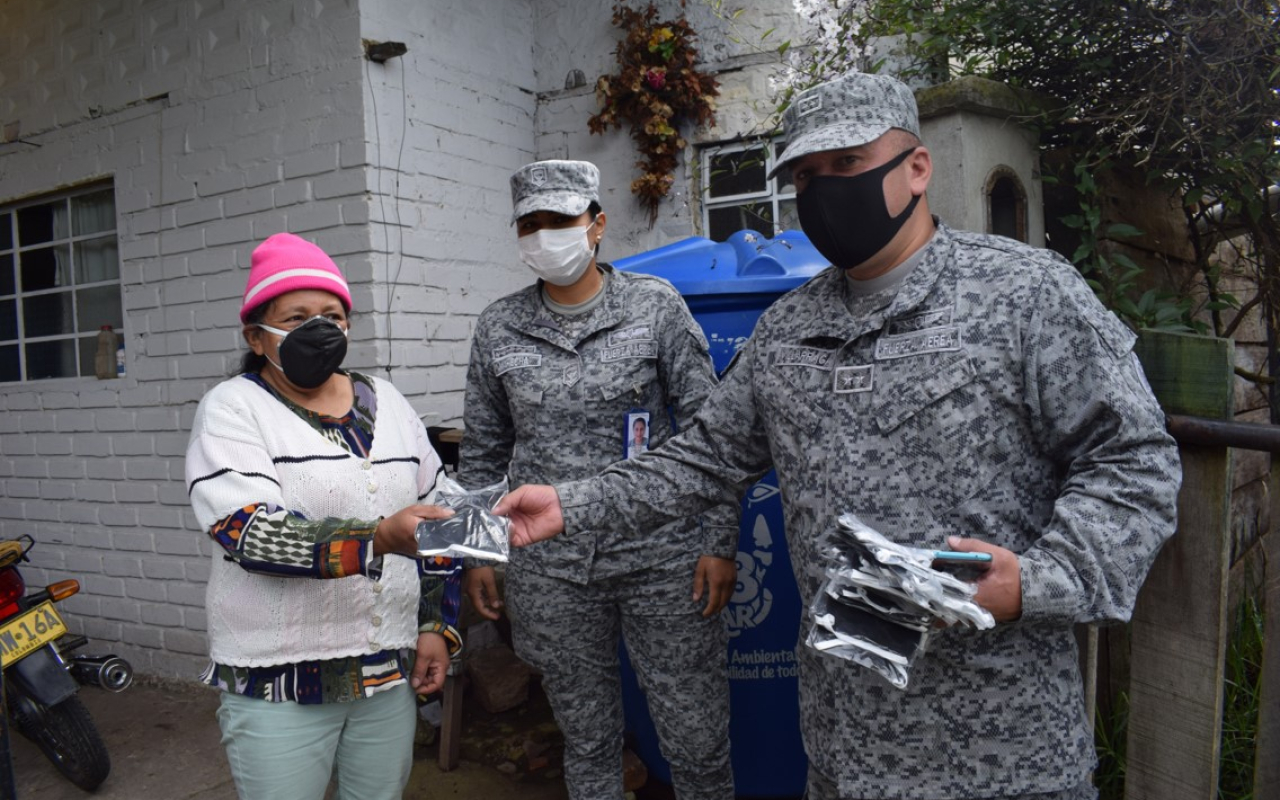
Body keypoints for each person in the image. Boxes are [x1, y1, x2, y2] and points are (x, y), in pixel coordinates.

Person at [493, 73, 1182, 800]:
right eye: (805, 176)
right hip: (842, 749)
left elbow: (1134, 462)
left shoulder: (1024, 294)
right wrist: (573, 504)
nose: (823, 191)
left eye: (847, 163)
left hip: (1001, 751)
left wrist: (1038, 582)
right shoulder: (788, 329)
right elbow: (703, 459)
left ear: (917, 168)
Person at [458, 160, 738, 800]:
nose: (544, 235)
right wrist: (476, 555)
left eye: (560, 220)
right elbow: (483, 451)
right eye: (530, 223)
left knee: (696, 737)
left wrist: (720, 541)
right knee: (586, 740)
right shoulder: (499, 326)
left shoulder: (654, 306)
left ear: (597, 224)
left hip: (662, 556)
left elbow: (712, 434)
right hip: (552, 567)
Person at [184, 232, 463, 800]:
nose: (320, 327)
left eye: (332, 315)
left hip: (384, 673)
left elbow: (440, 512)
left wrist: (436, 626)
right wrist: (379, 537)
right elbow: (250, 533)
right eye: (296, 317)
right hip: (277, 682)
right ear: (256, 336)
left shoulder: (386, 402)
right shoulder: (233, 409)